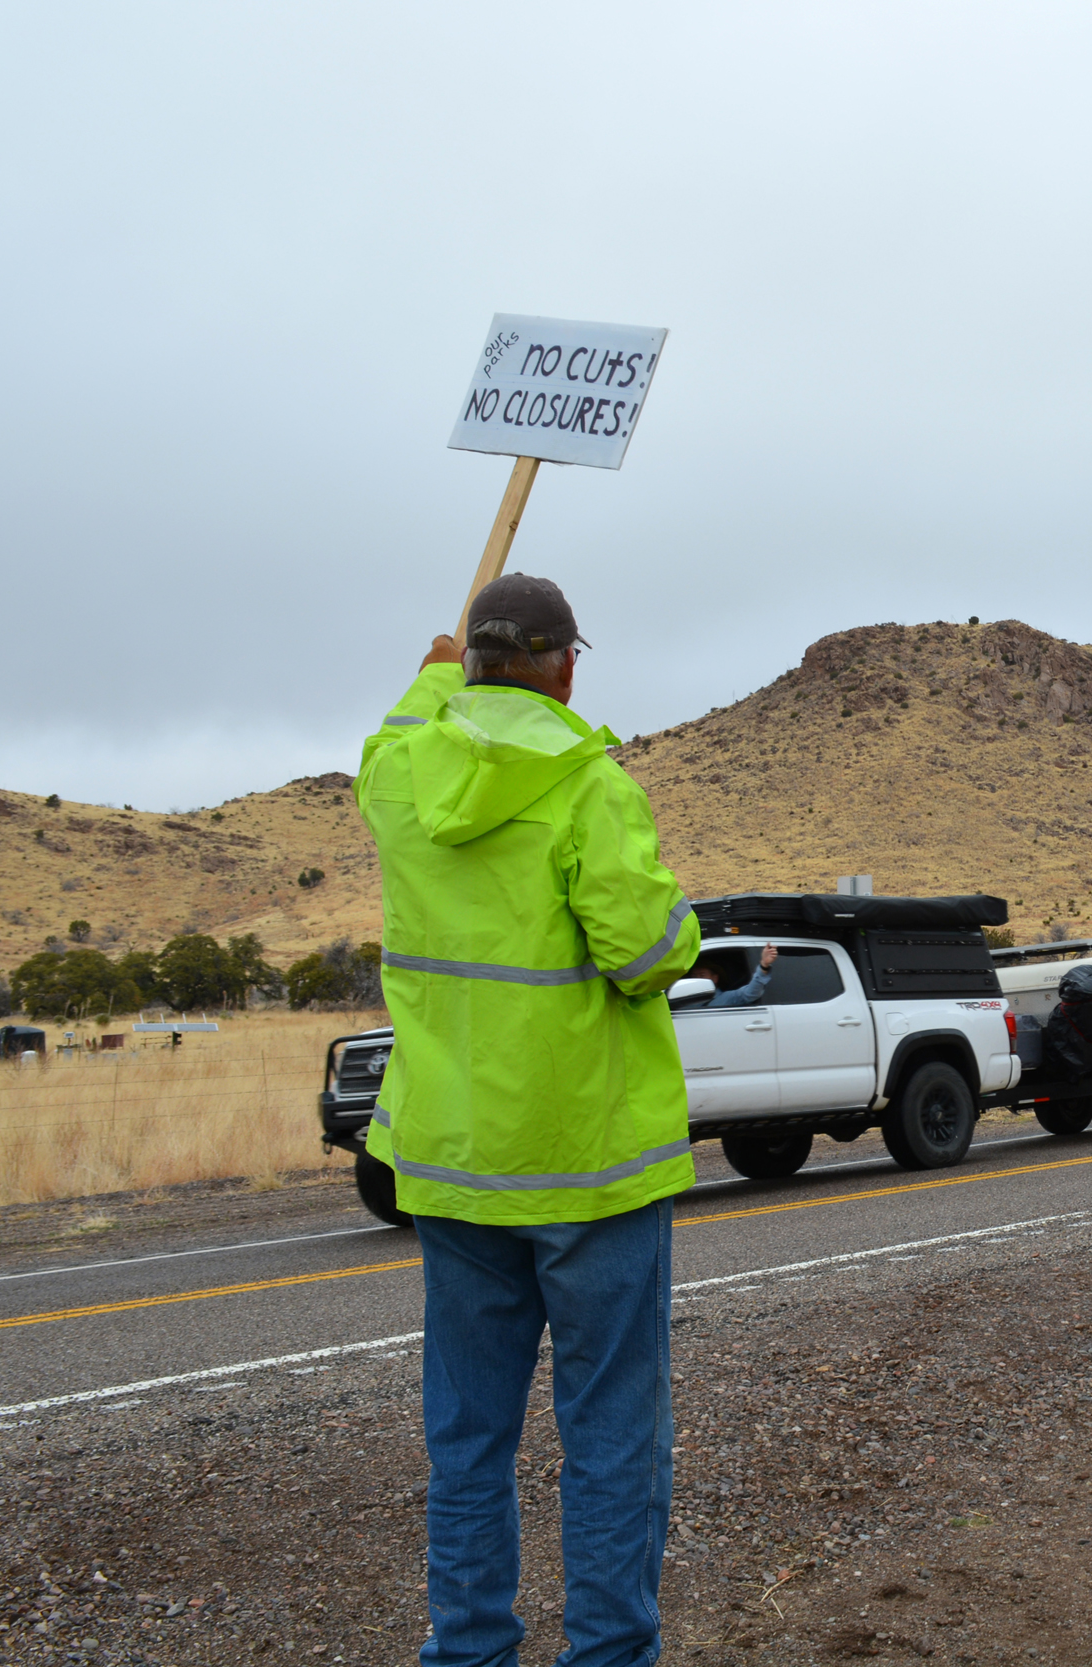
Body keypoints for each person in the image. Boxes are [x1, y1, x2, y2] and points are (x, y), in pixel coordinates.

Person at [360, 573, 700, 1667]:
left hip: (455, 1166)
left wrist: (424, 681)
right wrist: (680, 916)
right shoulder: (588, 786)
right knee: (610, 1438)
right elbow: (645, 956)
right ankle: (606, 1654)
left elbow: (392, 733)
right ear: (566, 666)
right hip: (589, 1160)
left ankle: (467, 1651)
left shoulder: (401, 775)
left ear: (468, 661)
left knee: (467, 1440)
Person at [708, 943, 780, 1007]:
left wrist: (764, 965)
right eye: (696, 975)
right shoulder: (697, 1000)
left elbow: (751, 993)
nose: (697, 979)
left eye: (702, 975)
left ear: (715, 978)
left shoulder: (726, 998)